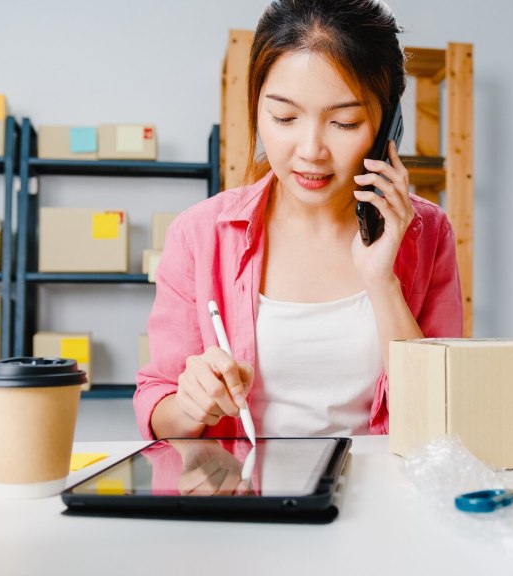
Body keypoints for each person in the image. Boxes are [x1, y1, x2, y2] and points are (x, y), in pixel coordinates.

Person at [135, 0, 462, 441]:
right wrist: (192, 403)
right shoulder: (199, 234)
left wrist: (381, 280)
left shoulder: (428, 232)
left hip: (380, 482)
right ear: (257, 108)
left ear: (388, 128)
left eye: (344, 122)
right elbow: (158, 407)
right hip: (246, 484)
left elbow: (441, 416)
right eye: (284, 117)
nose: (311, 151)